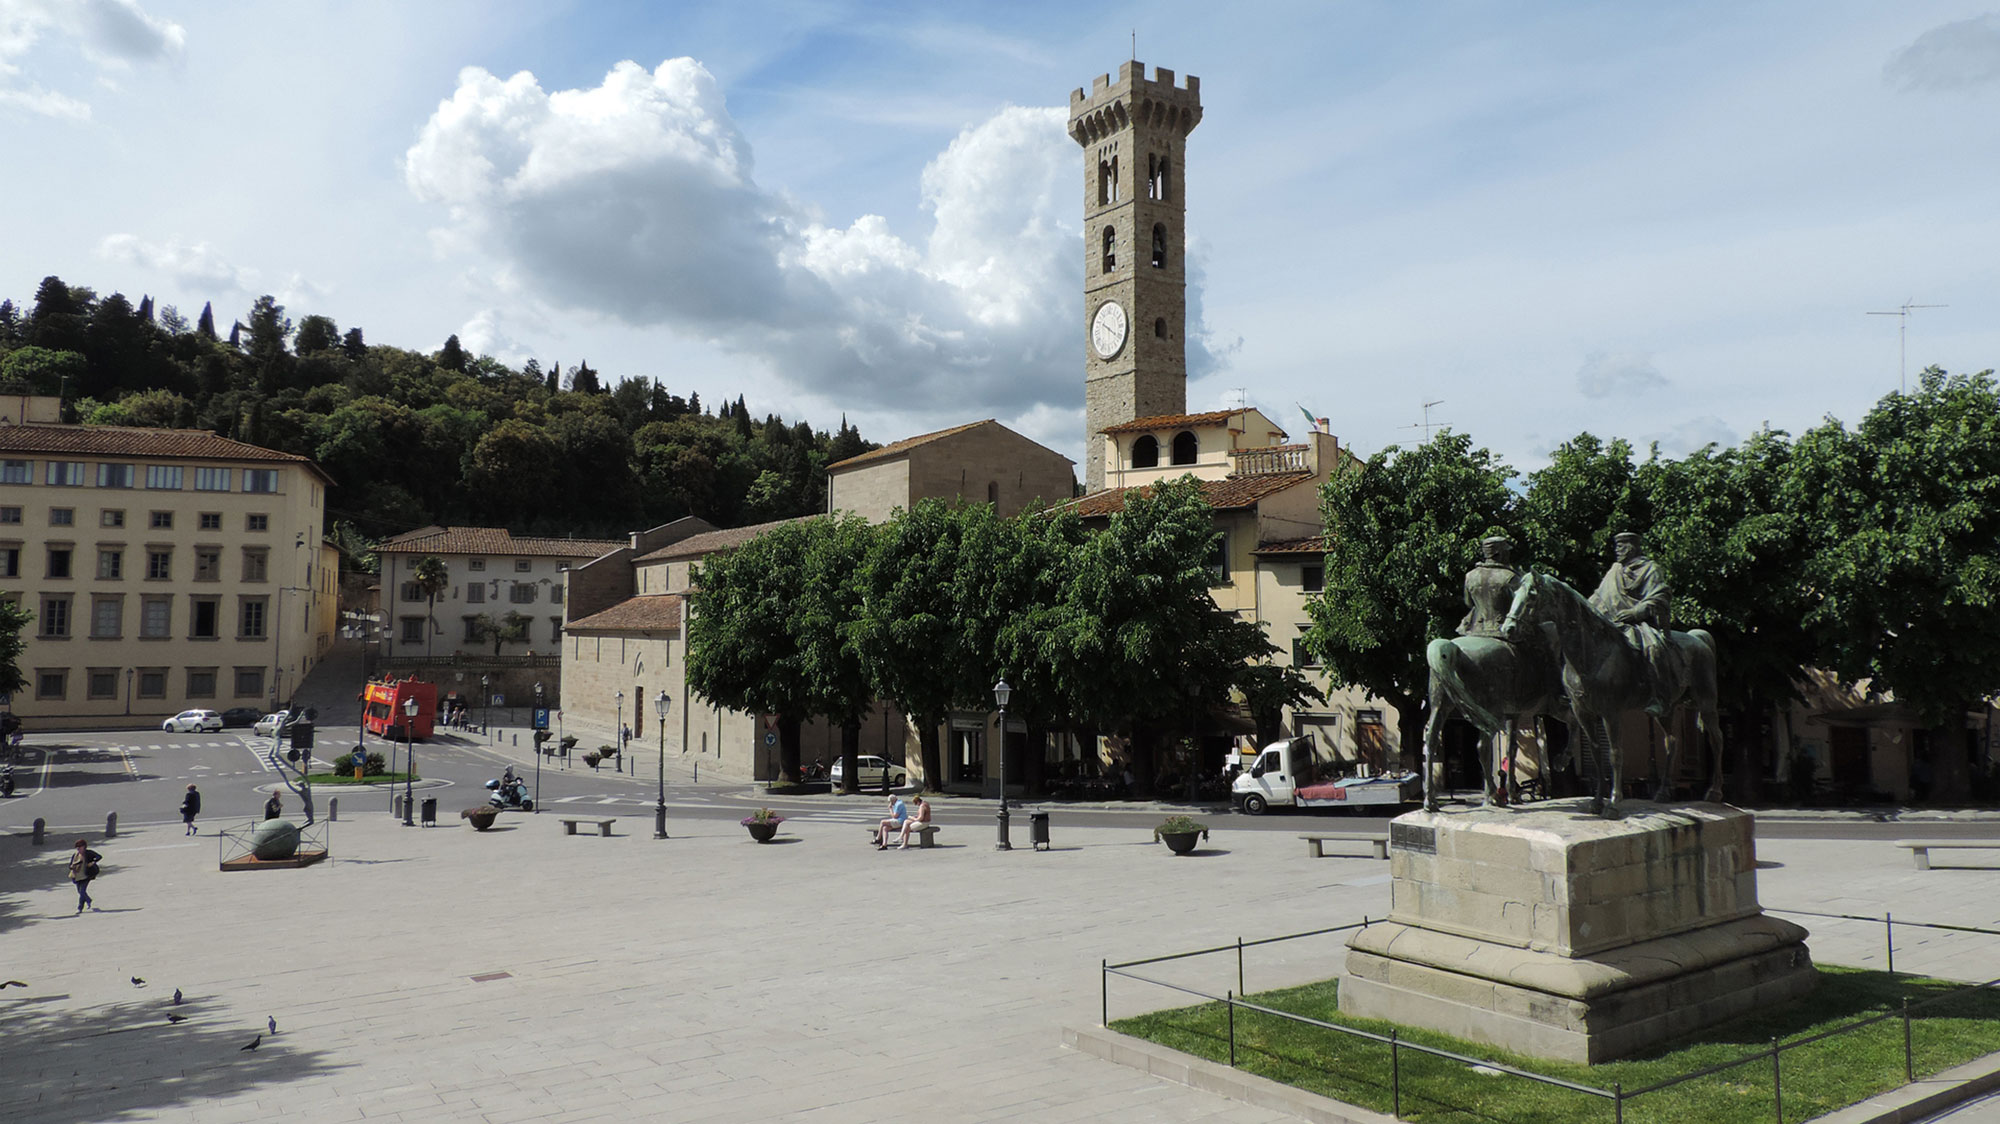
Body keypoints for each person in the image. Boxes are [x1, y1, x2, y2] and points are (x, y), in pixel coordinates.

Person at [1588, 530, 1684, 713]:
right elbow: (1598, 597)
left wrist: (1635, 612)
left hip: (1640, 625)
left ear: (1632, 548)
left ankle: (1659, 696)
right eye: (1616, 546)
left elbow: (1659, 595)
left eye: (1622, 546)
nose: (1617, 550)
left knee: (1653, 648)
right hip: (1613, 624)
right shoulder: (1614, 571)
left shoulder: (1650, 569)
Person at [1456, 532, 1521, 639]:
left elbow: (1468, 603)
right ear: (1499, 554)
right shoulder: (1510, 577)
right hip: (1502, 629)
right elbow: (1520, 606)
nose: (1508, 555)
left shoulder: (1471, 575)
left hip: (1475, 627)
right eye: (1506, 552)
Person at [68, 838, 101, 913]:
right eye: (77, 847)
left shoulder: (88, 853)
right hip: (77, 875)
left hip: (86, 875)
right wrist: (71, 866)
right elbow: (70, 864)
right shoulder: (75, 855)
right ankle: (88, 900)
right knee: (80, 892)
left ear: (84, 846)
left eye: (80, 847)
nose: (78, 849)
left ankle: (80, 908)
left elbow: (99, 856)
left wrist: (93, 862)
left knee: (82, 891)